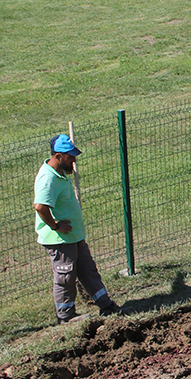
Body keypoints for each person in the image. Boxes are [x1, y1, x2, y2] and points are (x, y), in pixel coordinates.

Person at [34, 134, 119, 323]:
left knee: (88, 270)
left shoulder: (60, 173)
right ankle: (66, 316)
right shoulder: (48, 178)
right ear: (58, 156)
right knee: (66, 277)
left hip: (73, 236)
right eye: (70, 156)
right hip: (60, 240)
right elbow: (40, 207)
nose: (74, 160)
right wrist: (55, 226)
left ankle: (106, 305)